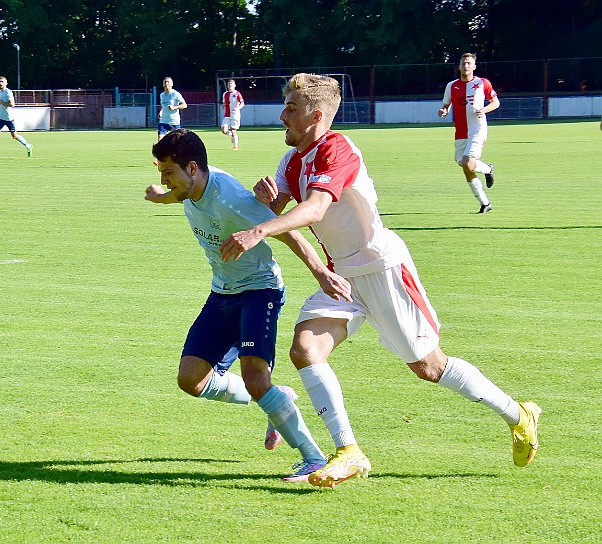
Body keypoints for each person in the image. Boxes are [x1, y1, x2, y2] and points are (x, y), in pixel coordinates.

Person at [220, 73, 541, 489]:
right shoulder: (292, 160)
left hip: (383, 270)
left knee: (428, 366)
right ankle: (349, 452)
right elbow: (280, 209)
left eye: (291, 109)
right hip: (343, 279)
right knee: (305, 349)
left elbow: (315, 209)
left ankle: (518, 414)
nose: (282, 115)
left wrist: (261, 230)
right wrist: (267, 204)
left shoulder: (340, 150)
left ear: (316, 116)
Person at [146, 128, 353, 482]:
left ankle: (313, 458)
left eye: (168, 173)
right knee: (191, 380)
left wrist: (321, 272)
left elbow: (286, 231)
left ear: (192, 168)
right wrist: (159, 197)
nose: (164, 180)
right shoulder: (188, 188)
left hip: (260, 291)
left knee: (255, 377)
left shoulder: (231, 199)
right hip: (223, 293)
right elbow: (178, 197)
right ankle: (278, 398)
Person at [438, 53, 500, 214]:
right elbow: (447, 104)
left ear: (474, 66)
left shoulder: (482, 83)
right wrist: (444, 110)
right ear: (459, 67)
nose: (466, 66)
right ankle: (485, 203)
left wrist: (484, 110)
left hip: (477, 129)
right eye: (463, 63)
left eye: (469, 63)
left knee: (468, 162)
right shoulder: (451, 86)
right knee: (465, 167)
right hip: (460, 133)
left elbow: (496, 102)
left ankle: (488, 169)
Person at [0, 76, 33, 160]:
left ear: (6, 83)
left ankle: (28, 145)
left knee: (14, 136)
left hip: (9, 118)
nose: (0, 83)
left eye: (2, 82)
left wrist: (1, 102)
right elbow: (0, 103)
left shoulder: (8, 92)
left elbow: (12, 104)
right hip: (1, 117)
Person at [221, 79, 245, 150]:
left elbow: (242, 103)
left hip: (235, 114)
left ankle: (235, 146)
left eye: (231, 84)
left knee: (233, 129)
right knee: (224, 130)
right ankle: (231, 135)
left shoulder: (237, 94)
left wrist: (238, 108)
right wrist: (223, 104)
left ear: (234, 85)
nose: (230, 85)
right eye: (229, 84)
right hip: (227, 115)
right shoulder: (225, 94)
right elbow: (224, 102)